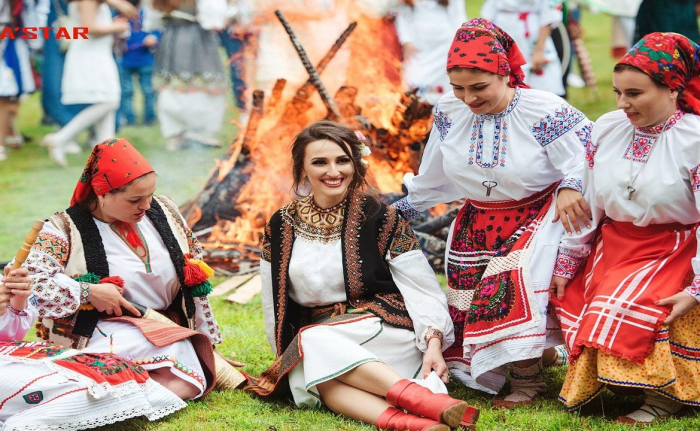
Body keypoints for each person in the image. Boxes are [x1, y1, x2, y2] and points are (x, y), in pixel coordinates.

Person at [391, 18, 592, 408]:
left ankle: (528, 385)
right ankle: (543, 358)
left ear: (505, 74)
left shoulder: (543, 111)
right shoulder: (449, 112)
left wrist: (571, 185)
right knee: (472, 307)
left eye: (479, 87)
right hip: (476, 223)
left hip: (535, 217)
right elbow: (434, 176)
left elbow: (590, 154)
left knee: (503, 296)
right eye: (458, 87)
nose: (468, 98)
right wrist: (402, 209)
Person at [246, 121, 479, 431]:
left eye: (342, 160)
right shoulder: (281, 224)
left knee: (313, 346)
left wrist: (434, 341)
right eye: (320, 162)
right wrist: (283, 354)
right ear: (302, 169)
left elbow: (421, 287)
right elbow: (271, 300)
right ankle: (418, 423)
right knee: (319, 375)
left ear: (355, 164)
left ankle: (422, 403)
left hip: (383, 329)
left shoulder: (379, 216)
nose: (334, 171)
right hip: (321, 340)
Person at [551, 32, 700, 424]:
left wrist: (697, 288)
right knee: (562, 294)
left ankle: (663, 394)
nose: (622, 104)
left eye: (634, 93)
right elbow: (590, 199)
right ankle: (620, 383)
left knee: (634, 306)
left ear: (672, 88)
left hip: (676, 246)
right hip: (616, 243)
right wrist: (568, 260)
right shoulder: (608, 127)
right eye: (618, 92)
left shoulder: (694, 140)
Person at [21, 138, 241, 400]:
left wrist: (207, 342)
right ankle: (101, 393)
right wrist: (88, 292)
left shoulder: (166, 211)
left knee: (192, 381)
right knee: (178, 363)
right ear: (102, 194)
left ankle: (108, 397)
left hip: (165, 327)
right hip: (102, 332)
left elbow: (195, 282)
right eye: (135, 199)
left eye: (150, 195)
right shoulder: (62, 230)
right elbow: (30, 283)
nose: (146, 206)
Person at [0, 265, 186, 430]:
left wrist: (17, 301)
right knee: (60, 387)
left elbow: (10, 335)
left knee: (101, 371)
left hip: (9, 353)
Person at [42, 0, 131, 167]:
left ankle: (110, 160)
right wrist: (117, 27)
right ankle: (61, 137)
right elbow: (89, 29)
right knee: (109, 102)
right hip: (90, 56)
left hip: (98, 54)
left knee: (107, 106)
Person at [151, 0, 229, 150]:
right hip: (192, 36)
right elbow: (214, 20)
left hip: (179, 35)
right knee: (185, 82)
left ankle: (186, 133)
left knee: (190, 82)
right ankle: (189, 132)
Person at [481, 0, 566, 97]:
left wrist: (539, 50)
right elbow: (488, 12)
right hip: (503, 29)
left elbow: (549, 14)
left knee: (543, 85)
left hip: (532, 34)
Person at [393, 0, 467, 105]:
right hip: (418, 43)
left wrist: (459, 42)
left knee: (442, 85)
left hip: (444, 45)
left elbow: (458, 14)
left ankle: (438, 113)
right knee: (413, 80)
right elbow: (402, 15)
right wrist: (406, 41)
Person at [0, 0, 47, 161]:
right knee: (6, 97)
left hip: (10, 44)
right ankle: (8, 136)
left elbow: (29, 21)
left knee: (7, 96)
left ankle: (6, 138)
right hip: (9, 42)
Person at [118, 0, 160, 126]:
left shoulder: (147, 15)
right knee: (126, 91)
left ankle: (150, 118)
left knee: (148, 91)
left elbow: (158, 29)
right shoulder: (119, 16)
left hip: (145, 59)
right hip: (125, 60)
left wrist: (154, 37)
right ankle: (129, 119)